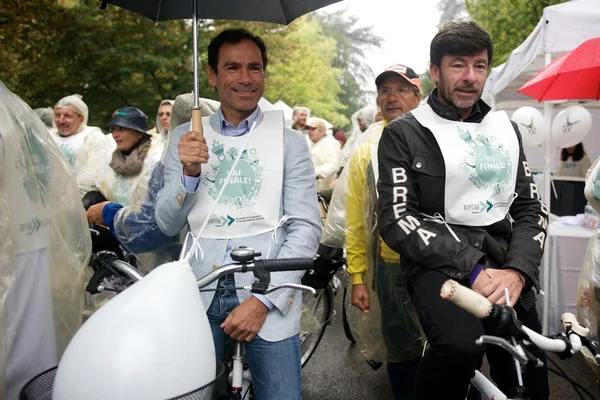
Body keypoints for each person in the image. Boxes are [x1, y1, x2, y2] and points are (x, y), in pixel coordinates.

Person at [377, 22, 549, 400]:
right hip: (438, 267)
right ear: (435, 71)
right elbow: (396, 219)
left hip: (506, 266)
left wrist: (518, 272)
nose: (470, 77)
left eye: (480, 66)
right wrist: (472, 268)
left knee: (531, 372)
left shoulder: (505, 128)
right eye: (458, 65)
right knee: (460, 349)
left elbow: (530, 208)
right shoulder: (403, 132)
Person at [154, 29, 321, 400]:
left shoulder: (290, 142)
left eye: (254, 68)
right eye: (232, 67)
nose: (245, 78)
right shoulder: (186, 138)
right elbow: (167, 223)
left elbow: (306, 229)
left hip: (269, 298)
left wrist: (263, 301)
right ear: (212, 75)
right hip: (199, 293)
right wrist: (189, 174)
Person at [0, 81, 89, 400]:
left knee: (18, 340)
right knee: (32, 340)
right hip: (30, 236)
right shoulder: (14, 108)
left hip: (13, 244)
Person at [346, 64, 423, 400]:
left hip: (444, 264)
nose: (392, 98)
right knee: (402, 354)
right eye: (385, 91)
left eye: (402, 89)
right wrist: (358, 277)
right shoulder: (366, 150)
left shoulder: (440, 139)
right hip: (391, 268)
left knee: (450, 353)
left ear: (419, 97)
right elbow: (355, 220)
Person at [85, 106, 164, 230]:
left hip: (146, 228)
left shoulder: (155, 158)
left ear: (139, 133)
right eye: (113, 129)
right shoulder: (111, 157)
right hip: (113, 226)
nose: (115, 135)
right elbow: (101, 187)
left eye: (121, 129)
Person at [51, 95, 113, 196]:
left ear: (81, 118)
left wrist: (71, 197)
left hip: (77, 201)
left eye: (67, 116)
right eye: (58, 115)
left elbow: (91, 176)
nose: (61, 120)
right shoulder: (48, 136)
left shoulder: (93, 137)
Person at [305, 117, 341, 194]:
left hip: (324, 190)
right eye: (308, 129)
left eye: (313, 129)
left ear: (322, 132)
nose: (309, 131)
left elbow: (333, 165)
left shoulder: (329, 143)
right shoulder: (312, 143)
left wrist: (314, 173)